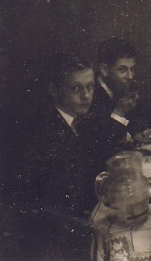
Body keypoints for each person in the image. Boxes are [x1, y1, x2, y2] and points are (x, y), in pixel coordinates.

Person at [24, 51, 129, 261]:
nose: (86, 95)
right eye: (76, 88)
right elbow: (50, 206)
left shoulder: (76, 119)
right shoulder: (46, 134)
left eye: (90, 87)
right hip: (56, 240)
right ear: (54, 90)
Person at [91, 37, 151, 138]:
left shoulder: (118, 86)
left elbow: (140, 117)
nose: (130, 77)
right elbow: (102, 143)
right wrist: (119, 113)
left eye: (132, 69)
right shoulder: (89, 96)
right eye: (122, 70)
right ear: (104, 70)